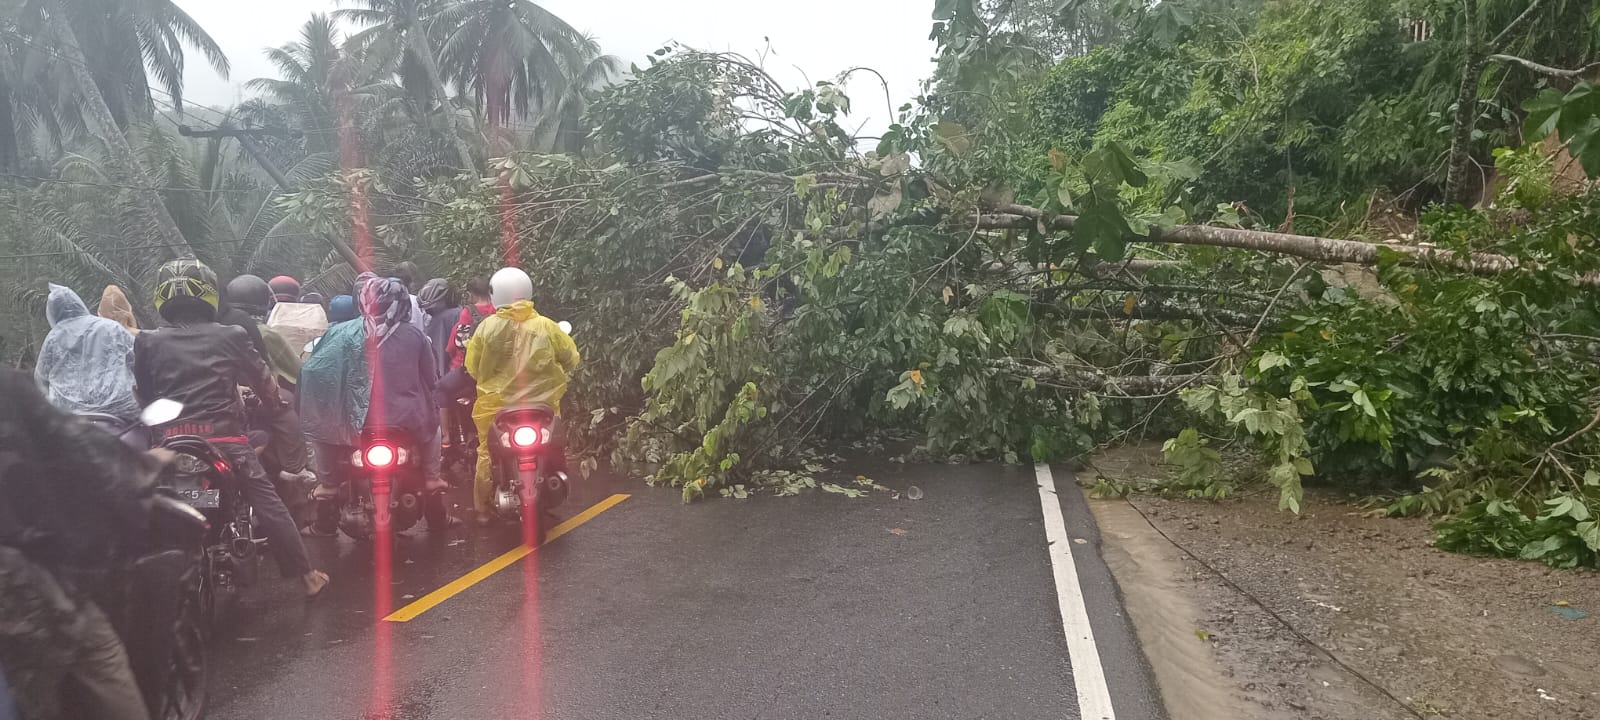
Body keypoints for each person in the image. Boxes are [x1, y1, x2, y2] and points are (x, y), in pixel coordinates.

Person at [132, 259, 328, 596]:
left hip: (172, 441)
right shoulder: (232, 335)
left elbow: (146, 395)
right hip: (225, 439)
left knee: (147, 503)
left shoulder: (147, 340)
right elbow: (264, 381)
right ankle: (307, 577)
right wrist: (276, 406)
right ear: (209, 294)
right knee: (267, 501)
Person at [0, 370, 164, 720]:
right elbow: (79, 444)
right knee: (101, 658)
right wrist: (142, 468)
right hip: (19, 577)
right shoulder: (9, 388)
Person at [299, 278, 457, 535]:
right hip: (408, 420)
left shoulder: (341, 333)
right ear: (402, 302)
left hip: (354, 422)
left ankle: (327, 488)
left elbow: (315, 372)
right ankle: (432, 481)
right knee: (434, 431)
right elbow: (431, 379)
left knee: (322, 436)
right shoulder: (415, 335)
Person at [465, 267, 580, 525]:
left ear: (495, 295)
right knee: (555, 446)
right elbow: (571, 358)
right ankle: (554, 485)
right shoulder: (546, 326)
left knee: (487, 454)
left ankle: (483, 509)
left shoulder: (486, 329)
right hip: (542, 407)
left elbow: (472, 368)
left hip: (497, 408)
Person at [33, 284, 140, 423]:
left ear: (52, 312)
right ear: (79, 303)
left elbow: (41, 379)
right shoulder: (110, 327)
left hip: (71, 417)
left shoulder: (53, 338)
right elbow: (139, 359)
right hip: (121, 411)